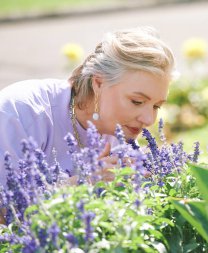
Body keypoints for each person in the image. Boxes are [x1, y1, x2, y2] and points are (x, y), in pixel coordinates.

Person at [0, 26, 175, 187]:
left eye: (156, 106)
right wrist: (84, 183)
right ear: (98, 83)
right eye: (137, 101)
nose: (149, 120)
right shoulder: (19, 113)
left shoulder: (119, 133)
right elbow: (5, 210)